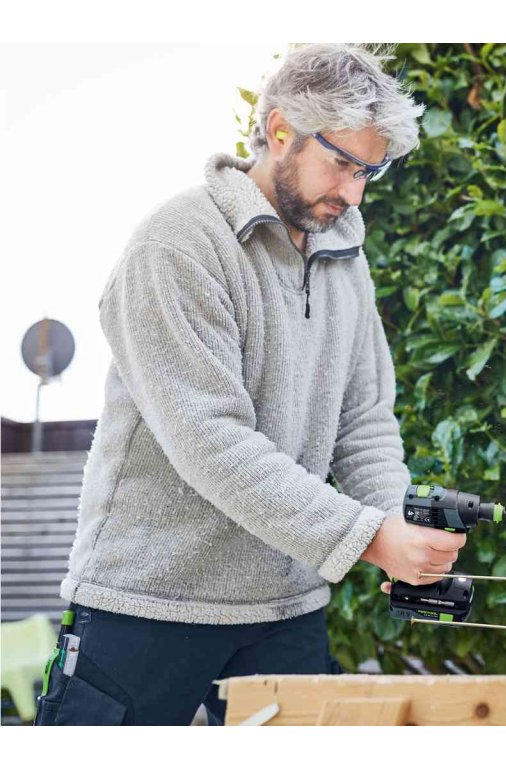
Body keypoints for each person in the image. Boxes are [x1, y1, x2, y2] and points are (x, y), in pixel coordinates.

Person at [36, 44, 465, 726]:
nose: (354, 193)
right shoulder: (176, 245)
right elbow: (211, 440)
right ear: (280, 131)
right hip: (147, 605)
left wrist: (393, 522)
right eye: (342, 164)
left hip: (286, 610)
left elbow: (364, 421)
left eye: (369, 172)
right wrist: (365, 536)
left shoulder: (343, 256)